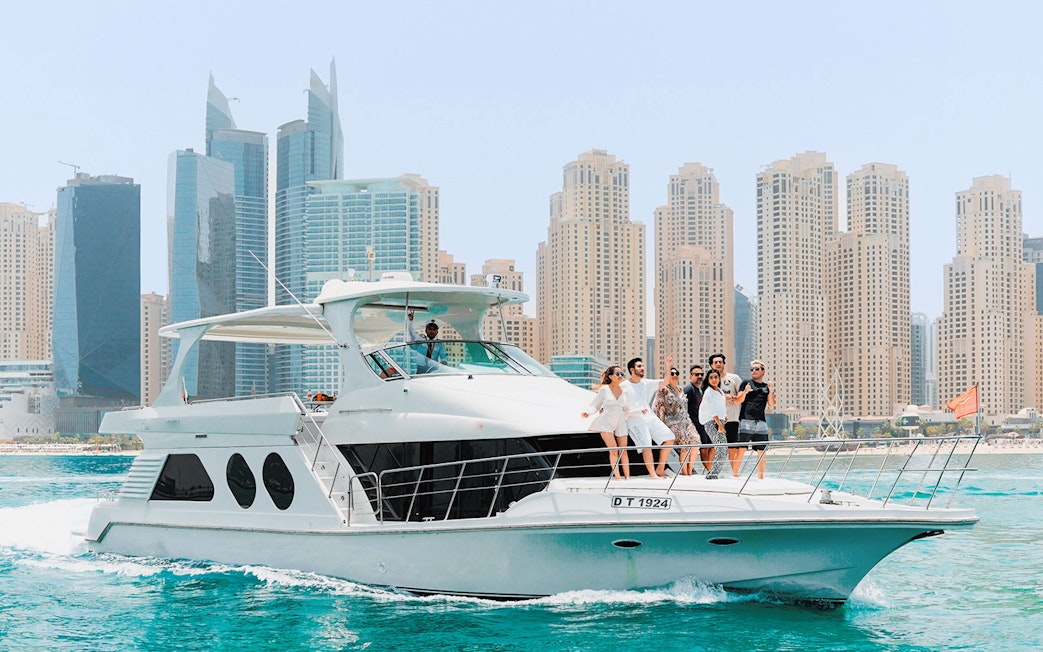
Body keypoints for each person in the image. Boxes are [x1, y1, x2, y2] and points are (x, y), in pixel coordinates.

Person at [624, 356, 676, 478]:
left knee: (669, 438)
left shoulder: (646, 383)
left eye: (642, 366)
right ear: (632, 370)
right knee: (646, 445)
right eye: (639, 366)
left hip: (649, 417)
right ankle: (653, 475)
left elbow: (666, 381)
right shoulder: (624, 386)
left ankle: (660, 469)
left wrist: (668, 365)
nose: (642, 368)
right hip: (634, 419)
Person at [582, 365, 633, 480]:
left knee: (624, 451)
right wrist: (587, 413)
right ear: (610, 376)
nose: (620, 376)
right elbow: (595, 404)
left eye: (622, 374)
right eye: (617, 374)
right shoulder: (604, 389)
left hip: (620, 420)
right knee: (614, 449)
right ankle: (618, 477)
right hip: (605, 422)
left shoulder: (625, 391)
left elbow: (628, 408)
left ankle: (628, 478)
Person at [653, 366, 699, 475]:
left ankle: (689, 469)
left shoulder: (681, 389)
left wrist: (688, 421)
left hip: (685, 420)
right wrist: (660, 425)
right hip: (671, 421)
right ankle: (685, 472)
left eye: (676, 373)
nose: (674, 375)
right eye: (671, 373)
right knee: (684, 441)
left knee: (696, 441)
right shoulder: (663, 390)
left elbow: (685, 408)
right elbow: (658, 408)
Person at [710, 353, 746, 477]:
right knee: (715, 447)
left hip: (732, 419)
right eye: (716, 362)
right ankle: (713, 472)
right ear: (711, 365)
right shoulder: (710, 380)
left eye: (720, 362)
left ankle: (734, 473)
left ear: (724, 364)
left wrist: (732, 397)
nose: (718, 364)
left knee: (732, 448)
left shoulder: (734, 378)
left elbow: (741, 398)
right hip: (715, 420)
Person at [738, 359, 775, 479]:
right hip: (746, 420)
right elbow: (738, 399)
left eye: (757, 369)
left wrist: (770, 390)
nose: (754, 371)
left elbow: (771, 404)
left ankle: (761, 476)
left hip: (761, 421)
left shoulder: (766, 386)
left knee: (761, 450)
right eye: (752, 369)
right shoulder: (746, 383)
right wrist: (745, 391)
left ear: (763, 371)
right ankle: (735, 474)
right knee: (742, 448)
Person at [698, 368, 728, 479]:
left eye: (716, 377)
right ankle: (712, 475)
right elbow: (711, 409)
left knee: (723, 449)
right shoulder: (708, 392)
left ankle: (713, 474)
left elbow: (720, 406)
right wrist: (719, 424)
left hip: (719, 422)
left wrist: (724, 417)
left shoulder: (720, 391)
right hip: (712, 423)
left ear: (719, 378)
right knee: (721, 448)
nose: (714, 379)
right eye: (711, 378)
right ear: (708, 380)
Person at [684, 364, 711, 473]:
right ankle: (709, 470)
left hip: (701, 424)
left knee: (706, 447)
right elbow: (682, 406)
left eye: (701, 374)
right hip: (693, 425)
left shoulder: (699, 390)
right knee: (703, 448)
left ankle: (709, 470)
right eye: (696, 374)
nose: (699, 376)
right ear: (691, 376)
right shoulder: (689, 389)